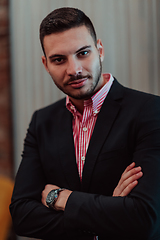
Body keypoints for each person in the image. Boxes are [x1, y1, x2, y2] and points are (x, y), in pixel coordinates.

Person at [10, 7, 160, 240]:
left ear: (99, 50)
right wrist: (109, 212)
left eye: (83, 53)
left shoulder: (150, 111)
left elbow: (145, 218)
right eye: (59, 59)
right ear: (45, 64)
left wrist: (60, 198)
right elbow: (22, 216)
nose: (74, 70)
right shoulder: (42, 122)